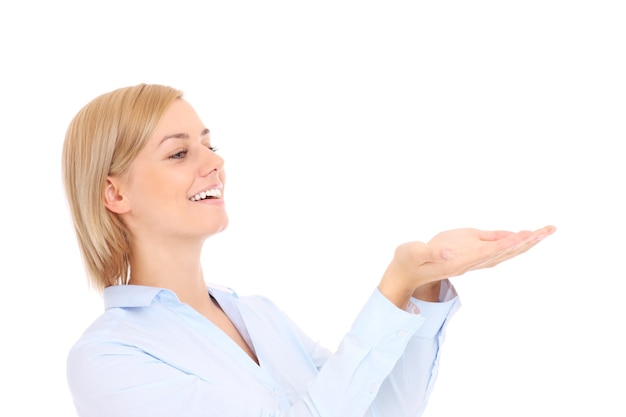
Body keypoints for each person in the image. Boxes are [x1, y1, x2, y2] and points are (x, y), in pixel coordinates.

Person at [62, 83, 556, 417]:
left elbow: (382, 408)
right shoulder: (109, 358)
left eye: (210, 144)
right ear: (116, 194)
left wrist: (423, 285)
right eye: (179, 152)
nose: (213, 162)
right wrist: (392, 287)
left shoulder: (259, 315)